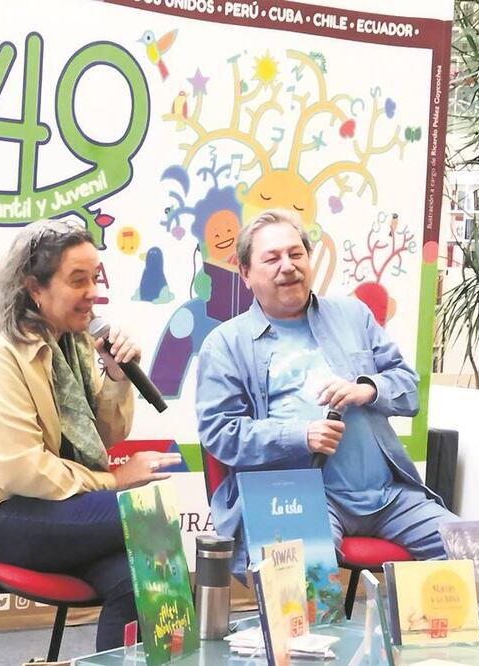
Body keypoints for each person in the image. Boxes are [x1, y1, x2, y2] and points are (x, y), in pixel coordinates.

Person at [0, 219, 182, 651]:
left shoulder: (71, 343)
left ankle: (157, 661)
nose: (93, 292)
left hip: (48, 508)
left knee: (136, 576)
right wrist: (115, 481)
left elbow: (102, 437)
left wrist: (116, 376)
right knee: (146, 516)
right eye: (78, 281)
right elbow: (22, 473)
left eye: (95, 278)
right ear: (33, 288)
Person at [195, 209, 455, 574]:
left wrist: (367, 389)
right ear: (246, 273)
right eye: (272, 258)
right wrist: (300, 436)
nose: (288, 266)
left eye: (296, 254)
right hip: (294, 495)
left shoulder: (353, 315)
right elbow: (220, 433)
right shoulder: (225, 344)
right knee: (300, 583)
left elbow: (409, 389)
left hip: (387, 495)